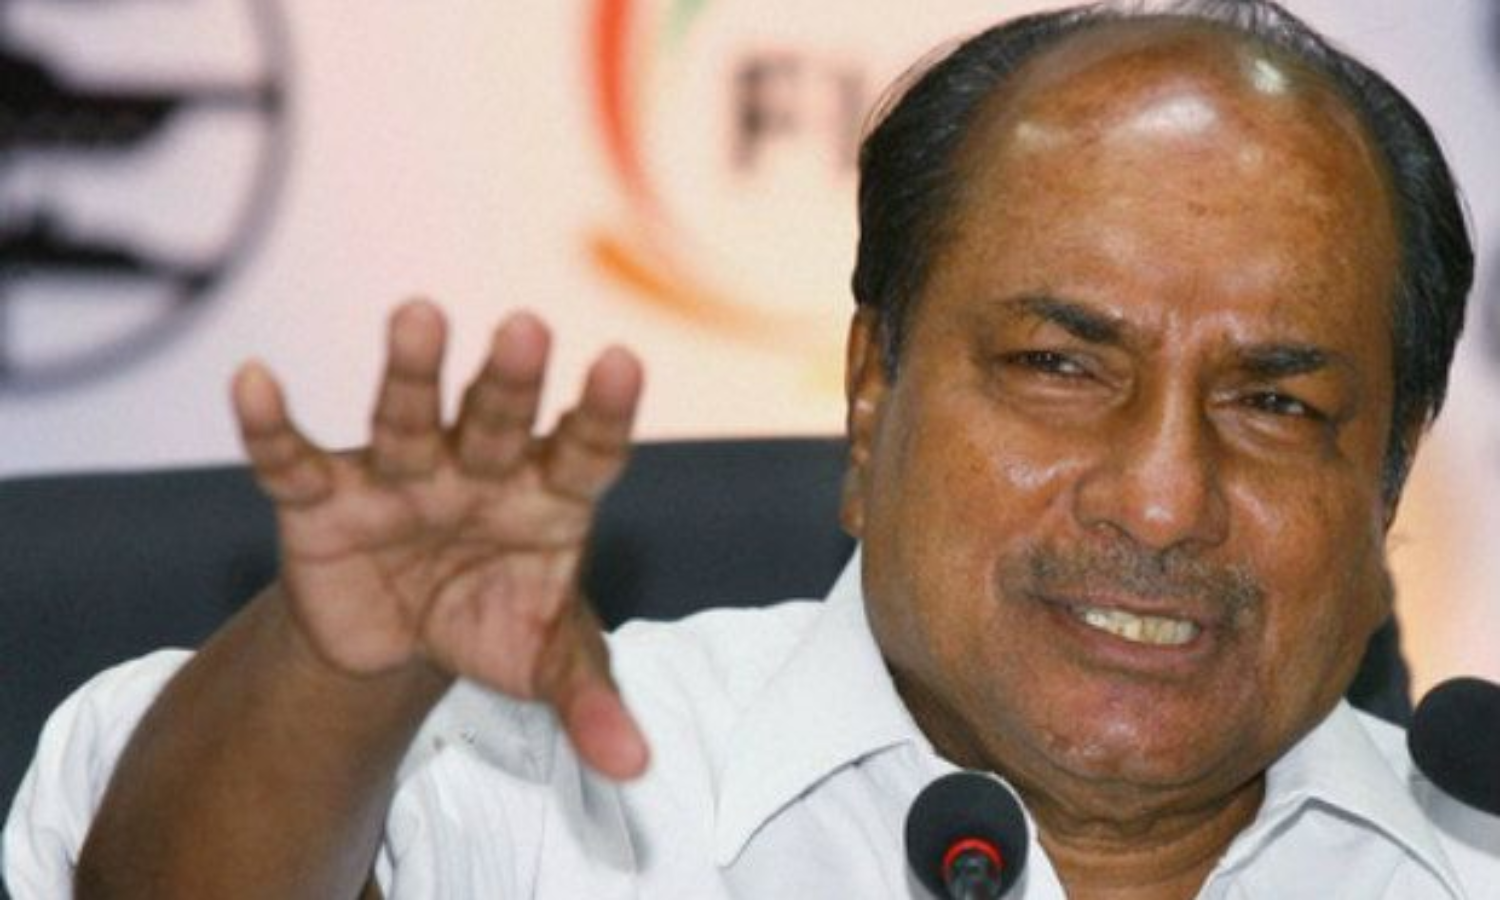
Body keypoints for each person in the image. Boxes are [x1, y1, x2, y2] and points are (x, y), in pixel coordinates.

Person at [5, 1, 1495, 897]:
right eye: (1059, 366)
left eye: (1276, 406)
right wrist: (346, 680)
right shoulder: (547, 795)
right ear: (871, 390)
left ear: (1389, 476)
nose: (1164, 500)